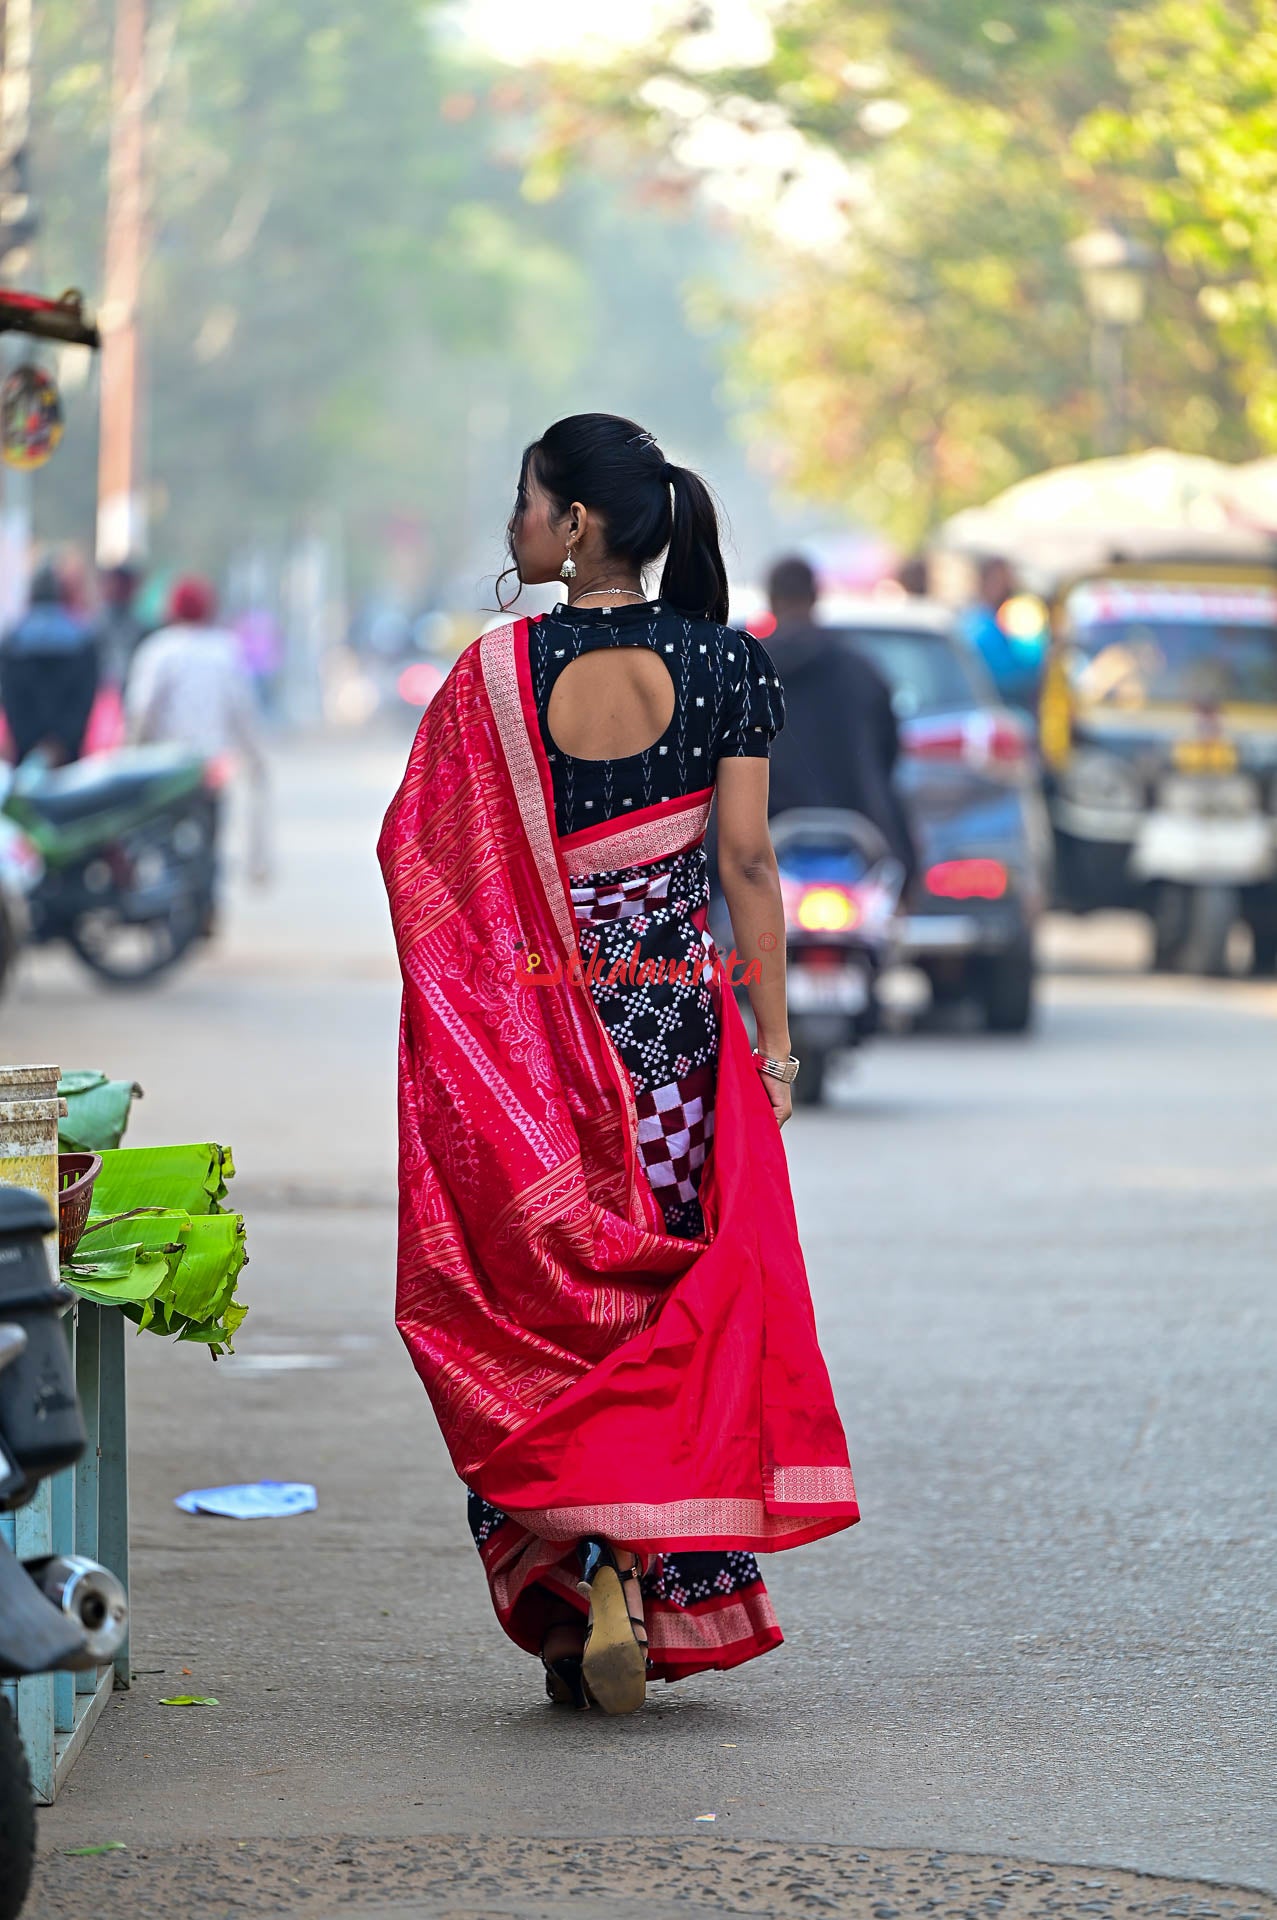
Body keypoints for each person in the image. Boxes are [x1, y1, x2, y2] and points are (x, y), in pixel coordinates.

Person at [379, 414, 857, 1717]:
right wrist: (769, 1035)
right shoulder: (727, 667)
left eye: (525, 502)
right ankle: (646, 1580)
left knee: (546, 1311)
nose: (513, 524)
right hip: (673, 1054)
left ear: (574, 525)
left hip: (529, 1054)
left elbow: (426, 871)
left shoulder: (493, 677)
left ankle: (575, 1565)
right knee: (665, 1318)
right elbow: (748, 866)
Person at [763, 554, 918, 885]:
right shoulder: (861, 670)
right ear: (816, 597)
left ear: (772, 600)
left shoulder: (746, 672)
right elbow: (889, 756)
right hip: (862, 844)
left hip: (763, 851)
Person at [127, 575, 269, 881]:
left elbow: (141, 710)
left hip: (164, 767)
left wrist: (130, 753)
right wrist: (255, 759)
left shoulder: (158, 650)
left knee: (161, 835)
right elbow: (243, 711)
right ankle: (206, 899)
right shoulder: (226, 650)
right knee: (209, 838)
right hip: (210, 767)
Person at [0, 559, 99, 765]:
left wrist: (28, 740)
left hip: (24, 750)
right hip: (68, 754)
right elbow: (83, 697)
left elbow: (11, 696)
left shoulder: (12, 641)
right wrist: (62, 742)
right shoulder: (83, 640)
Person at [958, 554, 1040, 710]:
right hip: (991, 706)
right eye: (997, 580)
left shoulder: (1011, 618)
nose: (1004, 587)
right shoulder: (975, 624)